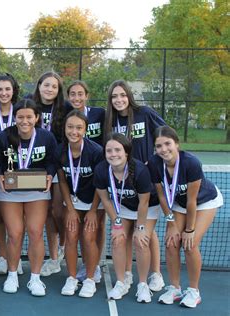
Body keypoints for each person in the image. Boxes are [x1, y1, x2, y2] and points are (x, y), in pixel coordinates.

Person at [148, 126, 223, 308]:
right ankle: (174, 288)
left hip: (204, 201)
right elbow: (162, 195)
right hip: (177, 203)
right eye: (159, 146)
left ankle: (193, 291)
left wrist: (189, 229)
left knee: (190, 245)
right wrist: (171, 223)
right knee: (172, 242)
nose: (164, 149)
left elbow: (192, 201)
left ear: (177, 144)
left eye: (168, 144)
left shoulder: (191, 163)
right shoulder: (154, 163)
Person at [103, 79, 166, 292]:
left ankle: (155, 274)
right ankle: (127, 274)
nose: (119, 100)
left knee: (147, 233)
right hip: (122, 184)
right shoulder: (109, 121)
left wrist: (155, 157)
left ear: (129, 96)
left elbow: (165, 134)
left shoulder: (145, 113)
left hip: (144, 179)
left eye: (122, 95)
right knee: (126, 233)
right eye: (114, 96)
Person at [0, 99, 57, 296]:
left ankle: (35, 278)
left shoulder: (46, 137)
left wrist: (49, 174)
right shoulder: (4, 137)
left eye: (29, 116)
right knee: (14, 234)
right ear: (14, 117)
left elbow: (52, 161)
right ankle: (12, 275)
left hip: (36, 191)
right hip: (10, 192)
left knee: (35, 232)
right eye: (20, 117)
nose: (24, 121)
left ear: (37, 118)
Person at [94, 133, 159, 303]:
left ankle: (143, 284)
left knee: (141, 240)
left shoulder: (139, 170)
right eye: (109, 150)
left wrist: (140, 228)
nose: (113, 154)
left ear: (126, 153)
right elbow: (105, 199)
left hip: (147, 207)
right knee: (117, 239)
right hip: (122, 207)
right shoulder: (101, 170)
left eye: (117, 150)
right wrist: (116, 223)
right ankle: (121, 282)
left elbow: (144, 202)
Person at [55, 110, 104, 298]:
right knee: (71, 235)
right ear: (65, 128)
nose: (73, 131)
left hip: (94, 201)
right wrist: (70, 208)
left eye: (78, 128)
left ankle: (90, 279)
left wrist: (93, 211)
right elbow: (63, 181)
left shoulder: (96, 152)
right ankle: (72, 278)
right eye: (70, 127)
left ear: (85, 130)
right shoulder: (60, 151)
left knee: (88, 236)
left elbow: (101, 185)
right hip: (73, 201)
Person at [67, 80, 106, 284]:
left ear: (87, 95)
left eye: (80, 93)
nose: (76, 97)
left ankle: (94, 266)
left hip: (96, 183)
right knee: (74, 232)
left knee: (95, 227)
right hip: (74, 184)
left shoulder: (100, 114)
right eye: (72, 94)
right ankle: (75, 272)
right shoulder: (66, 117)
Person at [32, 72, 70, 277]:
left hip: (58, 165)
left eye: (54, 87)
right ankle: (54, 257)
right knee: (45, 213)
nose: (49, 89)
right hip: (36, 166)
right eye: (46, 85)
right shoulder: (29, 105)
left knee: (57, 211)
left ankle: (63, 246)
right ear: (39, 86)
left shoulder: (66, 109)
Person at [0, 73, 23, 275]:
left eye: (7, 89)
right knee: (0, 216)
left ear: (13, 90)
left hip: (20, 172)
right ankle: (3, 257)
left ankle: (14, 257)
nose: (3, 93)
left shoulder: (21, 110)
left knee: (19, 220)